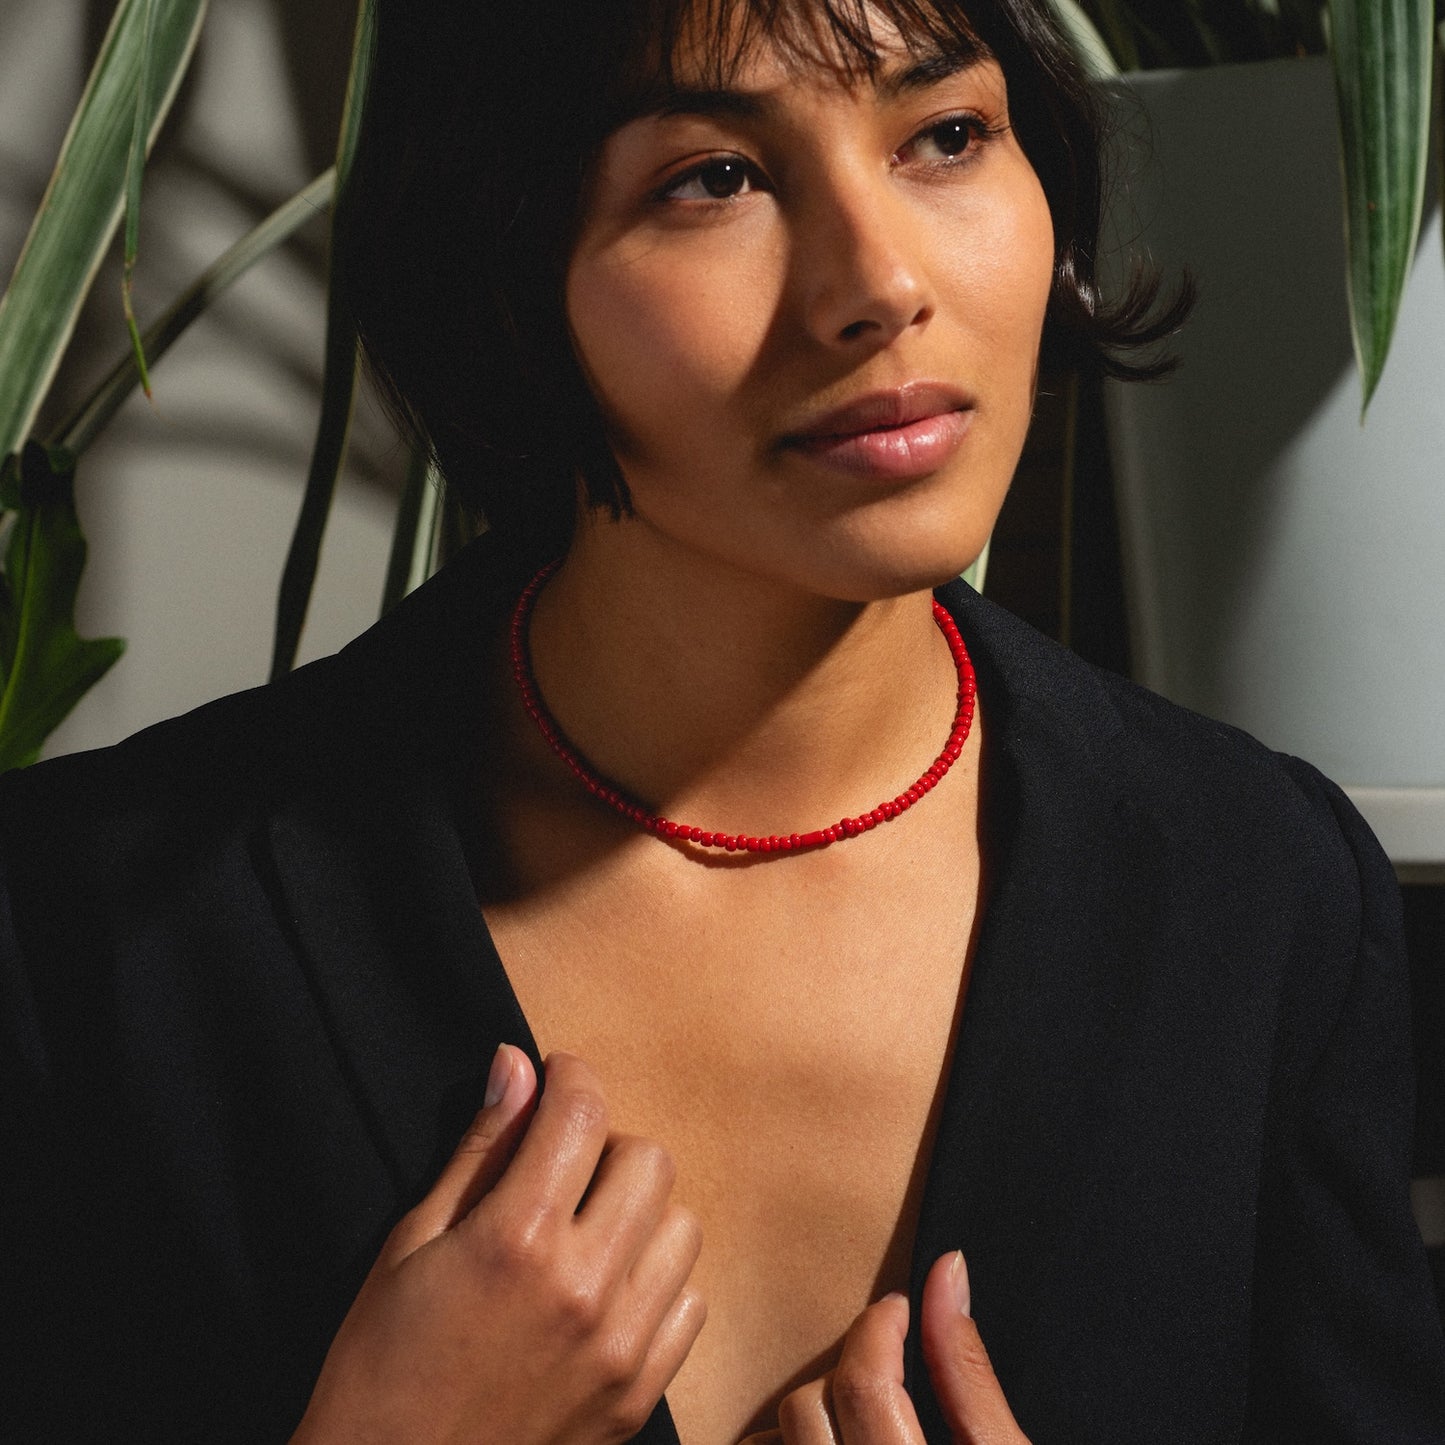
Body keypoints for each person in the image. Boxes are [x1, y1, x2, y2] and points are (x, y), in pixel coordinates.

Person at [2, 0, 1443, 1441]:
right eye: (713, 178)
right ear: (507, 261)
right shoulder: (92, 932)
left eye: (945, 136)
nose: (876, 283)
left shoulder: (1259, 890)